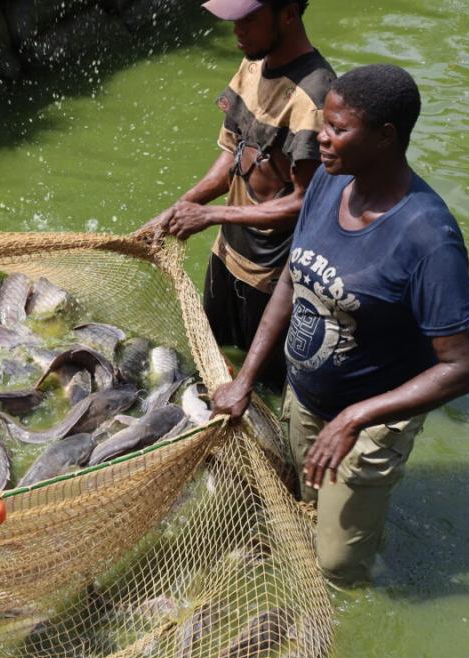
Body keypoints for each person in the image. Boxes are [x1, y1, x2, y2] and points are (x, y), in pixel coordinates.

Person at [211, 63, 469, 586]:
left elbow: (467, 365)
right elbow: (291, 282)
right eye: (325, 125)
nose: (322, 139)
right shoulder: (328, 185)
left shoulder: (427, 237)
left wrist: (356, 417)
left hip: (373, 416)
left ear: (385, 137)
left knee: (338, 567)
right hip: (308, 392)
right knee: (305, 502)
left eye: (338, 129)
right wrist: (246, 380)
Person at [143, 0, 335, 390]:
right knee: (210, 358)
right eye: (234, 20)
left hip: (271, 274)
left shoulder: (314, 96)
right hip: (227, 253)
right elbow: (232, 153)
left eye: (249, 19)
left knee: (263, 385)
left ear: (288, 13)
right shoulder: (253, 62)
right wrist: (183, 207)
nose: (237, 30)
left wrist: (211, 216)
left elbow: (306, 203)